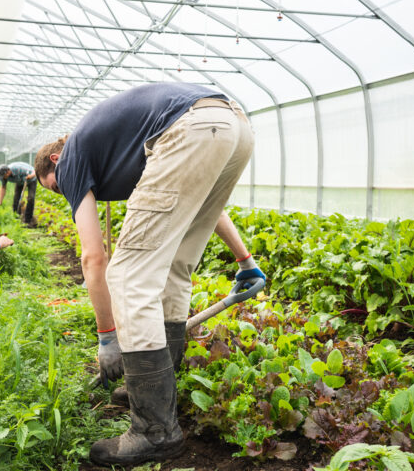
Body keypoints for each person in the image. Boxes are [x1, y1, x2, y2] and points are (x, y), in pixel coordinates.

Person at [34, 82, 264, 466]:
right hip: (232, 127)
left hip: (192, 126)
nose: (65, 194)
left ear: (56, 159)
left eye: (56, 188)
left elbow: (94, 258)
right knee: (175, 266)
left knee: (128, 275)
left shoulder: (72, 160)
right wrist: (245, 260)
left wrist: (108, 337)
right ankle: (155, 393)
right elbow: (200, 196)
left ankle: (153, 430)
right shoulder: (121, 146)